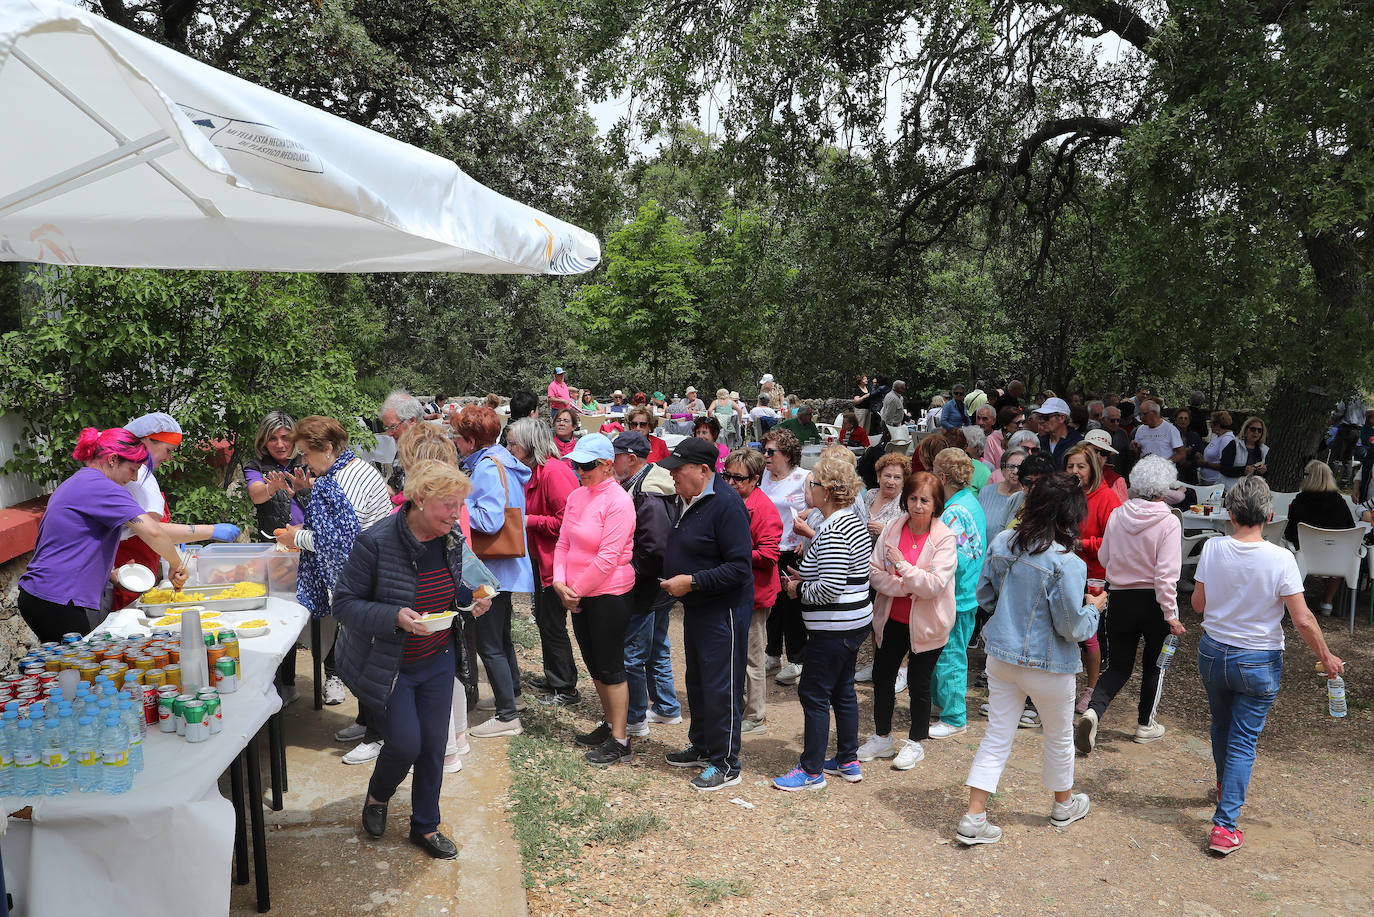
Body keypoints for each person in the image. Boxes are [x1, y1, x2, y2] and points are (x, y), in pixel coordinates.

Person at [333, 460, 494, 859]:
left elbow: (456, 591)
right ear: (419, 499)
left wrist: (472, 601)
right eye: (448, 504)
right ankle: (378, 796)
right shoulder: (376, 542)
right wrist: (394, 616)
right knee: (405, 744)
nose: (456, 514)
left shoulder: (451, 538)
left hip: (437, 657)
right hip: (391, 664)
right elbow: (344, 604)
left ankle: (425, 826)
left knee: (434, 747)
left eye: (459, 505)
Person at [1191, 476, 1344, 855]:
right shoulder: (1281, 558)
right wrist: (1326, 656)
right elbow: (1303, 619)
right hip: (1258, 658)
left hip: (1214, 652)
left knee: (1221, 726)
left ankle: (1225, 787)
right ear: (1270, 515)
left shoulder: (1212, 548)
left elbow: (1197, 605)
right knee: (1243, 740)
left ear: (1230, 513)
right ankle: (1224, 826)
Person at [956, 473, 1104, 845]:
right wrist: (1094, 608)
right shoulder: (1067, 562)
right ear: (1071, 514)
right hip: (1049, 664)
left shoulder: (1004, 542)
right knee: (1058, 736)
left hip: (1001, 656)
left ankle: (974, 816)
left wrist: (1009, 612)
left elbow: (985, 596)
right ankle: (1063, 804)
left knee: (996, 735)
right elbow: (1071, 627)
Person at [17, 427, 193, 642]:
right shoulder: (102, 487)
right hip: (59, 599)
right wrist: (176, 564)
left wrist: (110, 573)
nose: (134, 478)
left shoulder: (80, 481)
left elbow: (73, 540)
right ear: (112, 459)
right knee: (81, 661)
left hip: (42, 594)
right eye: (133, 469)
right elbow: (153, 531)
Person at [277, 416, 393, 729]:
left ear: (327, 448)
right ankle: (368, 722)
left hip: (368, 581)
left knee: (361, 661)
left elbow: (339, 541)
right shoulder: (348, 470)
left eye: (306, 453)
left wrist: (295, 537)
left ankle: (377, 733)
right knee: (361, 657)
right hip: (369, 576)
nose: (304, 461)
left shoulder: (342, 482)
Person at [658, 438, 754, 791]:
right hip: (698, 606)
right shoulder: (688, 497)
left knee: (721, 685)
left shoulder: (726, 505)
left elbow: (739, 568)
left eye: (678, 469)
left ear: (703, 470)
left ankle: (726, 763)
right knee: (698, 681)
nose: (672, 475)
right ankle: (702, 745)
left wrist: (693, 581)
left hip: (723, 610)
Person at [773, 457, 874, 789]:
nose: (809, 489)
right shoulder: (850, 521)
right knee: (843, 691)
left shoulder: (833, 530)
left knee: (813, 693)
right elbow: (840, 572)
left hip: (834, 627)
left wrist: (797, 589)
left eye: (813, 484)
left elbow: (830, 588)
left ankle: (811, 770)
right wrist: (806, 575)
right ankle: (847, 760)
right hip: (852, 623)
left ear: (827, 491)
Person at [1076, 455, 1184, 755]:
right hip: (1153, 601)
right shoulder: (1168, 521)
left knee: (1118, 665)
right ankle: (1145, 724)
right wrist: (1171, 614)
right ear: (1165, 486)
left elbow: (1105, 557)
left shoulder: (1118, 514)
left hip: (1120, 597)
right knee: (1155, 665)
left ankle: (1093, 710)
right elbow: (1166, 575)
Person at [859, 471, 958, 770]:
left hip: (928, 625)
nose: (917, 505)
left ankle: (916, 743)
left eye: (925, 500)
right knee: (883, 678)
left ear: (936, 503)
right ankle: (882, 737)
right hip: (891, 619)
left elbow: (934, 585)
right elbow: (874, 572)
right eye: (913, 498)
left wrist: (902, 565)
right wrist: (906, 585)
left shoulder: (944, 537)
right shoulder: (893, 527)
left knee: (919, 684)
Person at [550, 434, 638, 765]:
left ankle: (621, 739)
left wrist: (573, 591)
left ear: (606, 466)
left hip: (608, 594)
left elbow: (608, 557)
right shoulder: (576, 496)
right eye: (576, 464)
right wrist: (559, 581)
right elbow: (563, 543)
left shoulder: (619, 501)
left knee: (610, 665)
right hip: (579, 594)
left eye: (586, 465)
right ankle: (610, 723)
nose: (580, 471)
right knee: (594, 663)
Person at [453, 405, 535, 738]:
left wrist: (457, 506)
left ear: (471, 441)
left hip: (492, 569)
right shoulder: (501, 460)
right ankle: (512, 694)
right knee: (500, 636)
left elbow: (489, 520)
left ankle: (507, 716)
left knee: (489, 643)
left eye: (458, 437)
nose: (455, 441)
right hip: (504, 566)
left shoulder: (487, 468)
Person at [112, 412, 241, 609]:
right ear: (147, 441)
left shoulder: (139, 474)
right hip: (127, 571)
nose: (169, 458)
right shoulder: (135, 478)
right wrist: (211, 530)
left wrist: (172, 548)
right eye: (168, 450)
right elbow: (152, 529)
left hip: (138, 571)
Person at [505, 418, 581, 706]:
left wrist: (529, 521)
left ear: (529, 445)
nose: (510, 449)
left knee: (552, 622)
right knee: (545, 620)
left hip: (556, 563)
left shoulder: (553, 472)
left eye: (513, 444)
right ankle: (555, 677)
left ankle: (566, 687)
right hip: (542, 558)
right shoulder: (535, 470)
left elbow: (567, 523)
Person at [612, 432, 683, 735]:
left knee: (632, 655)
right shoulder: (646, 484)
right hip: (659, 584)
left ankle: (635, 718)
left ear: (630, 459)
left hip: (646, 586)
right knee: (657, 647)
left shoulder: (648, 493)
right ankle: (666, 707)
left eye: (615, 455)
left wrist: (628, 573)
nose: (611, 461)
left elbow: (653, 548)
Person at [721, 447, 782, 735]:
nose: (731, 482)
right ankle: (739, 705)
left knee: (752, 658)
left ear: (755, 479)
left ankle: (756, 714)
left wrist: (734, 552)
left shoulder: (764, 508)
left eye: (739, 478)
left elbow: (769, 555)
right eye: (727, 476)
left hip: (755, 595)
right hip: (735, 591)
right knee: (735, 653)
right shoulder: (732, 500)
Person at [928, 448, 987, 738]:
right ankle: (943, 705)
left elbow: (954, 559)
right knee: (949, 653)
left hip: (957, 597)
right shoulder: (969, 501)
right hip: (965, 594)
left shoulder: (954, 512)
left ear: (942, 476)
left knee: (950, 656)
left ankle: (954, 717)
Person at [1063, 442, 1121, 713]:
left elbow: (1114, 541)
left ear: (1093, 468)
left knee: (1090, 634)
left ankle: (1091, 688)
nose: (1075, 471)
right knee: (1066, 630)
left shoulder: (1107, 497)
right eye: (1070, 466)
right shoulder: (1067, 495)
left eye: (1081, 466)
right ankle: (1065, 685)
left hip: (1095, 576)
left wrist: (1081, 544)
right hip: (1066, 572)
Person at [760, 429, 810, 685]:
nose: (765, 456)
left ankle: (797, 659)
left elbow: (818, 507)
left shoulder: (804, 477)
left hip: (792, 550)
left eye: (771, 452)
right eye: (764, 450)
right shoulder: (764, 476)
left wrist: (804, 533)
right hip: (769, 549)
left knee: (792, 607)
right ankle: (772, 654)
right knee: (771, 605)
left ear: (788, 455)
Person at [1284, 460, 1355, 614]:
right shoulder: (1340, 503)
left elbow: (1289, 532)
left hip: (1304, 555)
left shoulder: (1300, 501)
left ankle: (1295, 599)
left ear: (1309, 477)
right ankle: (1327, 602)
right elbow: (1350, 529)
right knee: (1341, 552)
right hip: (1335, 558)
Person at [978, 448, 1027, 538]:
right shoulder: (986, 492)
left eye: (1020, 468)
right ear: (1002, 469)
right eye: (1011, 466)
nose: (1015, 471)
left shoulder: (1026, 497)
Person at [863, 454, 910, 541]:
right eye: (887, 476)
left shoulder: (905, 503)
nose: (891, 481)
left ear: (904, 481)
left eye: (897, 477)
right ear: (879, 477)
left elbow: (908, 537)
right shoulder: (870, 494)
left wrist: (885, 531)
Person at [1218, 417, 1269, 488]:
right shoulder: (1234, 445)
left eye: (1259, 430)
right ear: (1245, 430)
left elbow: (1263, 474)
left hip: (1250, 490)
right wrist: (1243, 471)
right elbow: (1223, 469)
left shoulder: (1263, 449)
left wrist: (1263, 471)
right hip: (1229, 489)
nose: (1256, 432)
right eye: (1253, 429)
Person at [1034, 397, 1082, 469]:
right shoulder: (1038, 442)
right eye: (1040, 417)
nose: (1042, 421)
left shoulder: (1078, 443)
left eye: (1046, 417)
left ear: (1061, 418)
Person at [1083, 429, 1129, 502]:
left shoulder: (1117, 481)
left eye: (1104, 452)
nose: (1098, 456)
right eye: (1093, 451)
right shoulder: (1074, 475)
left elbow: (1122, 507)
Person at [1172, 406, 1206, 484]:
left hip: (1191, 475)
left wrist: (1196, 457)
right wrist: (1184, 452)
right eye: (1180, 418)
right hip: (1174, 474)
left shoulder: (1195, 436)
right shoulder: (1170, 436)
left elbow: (1201, 455)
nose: (1183, 420)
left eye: (1186, 418)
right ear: (1176, 420)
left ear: (1189, 421)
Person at [983, 407, 1023, 472]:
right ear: (1005, 425)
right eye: (1017, 423)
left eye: (1022, 422)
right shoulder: (992, 440)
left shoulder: (1024, 439)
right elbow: (989, 467)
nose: (1021, 426)